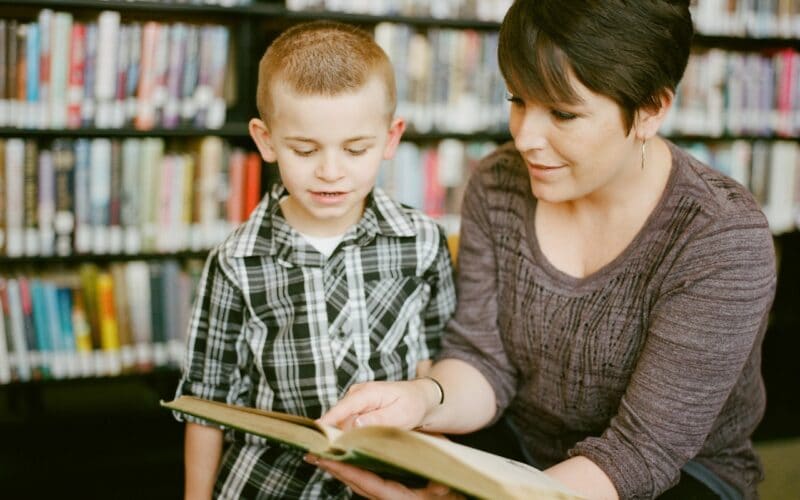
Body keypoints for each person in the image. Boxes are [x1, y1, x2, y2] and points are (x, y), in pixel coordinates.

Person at [313, 1, 777, 499]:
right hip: (520, 448)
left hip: (678, 477)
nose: (525, 137)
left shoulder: (721, 238)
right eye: (518, 99)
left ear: (650, 109)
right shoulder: (497, 184)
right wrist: (423, 398)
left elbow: (642, 453)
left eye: (562, 112)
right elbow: (482, 360)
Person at [173, 21, 456, 499]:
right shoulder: (236, 261)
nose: (330, 171)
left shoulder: (423, 241)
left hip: (389, 481)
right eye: (305, 150)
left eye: (355, 149)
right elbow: (205, 402)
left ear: (390, 138)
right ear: (265, 141)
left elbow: (438, 368)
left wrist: (440, 481)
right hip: (270, 484)